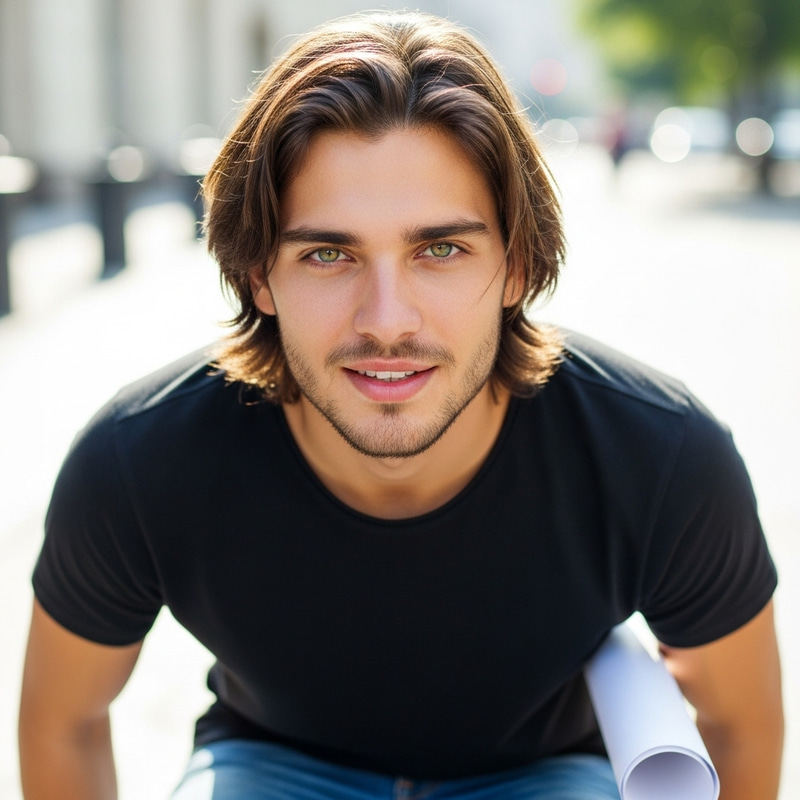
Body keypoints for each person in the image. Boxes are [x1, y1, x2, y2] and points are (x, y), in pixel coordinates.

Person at [18, 11, 783, 800]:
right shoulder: (141, 459)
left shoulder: (657, 456)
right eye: (327, 254)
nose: (386, 320)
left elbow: (741, 729)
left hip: (544, 772)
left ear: (517, 265)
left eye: (440, 250)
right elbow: (62, 721)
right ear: (258, 276)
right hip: (272, 761)